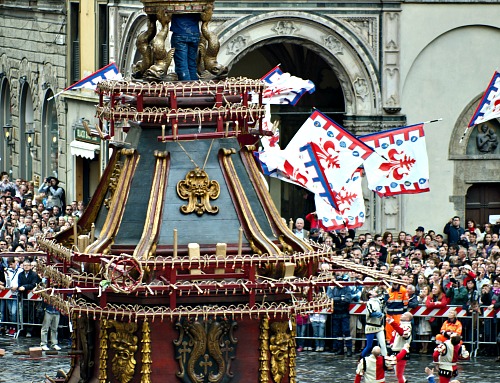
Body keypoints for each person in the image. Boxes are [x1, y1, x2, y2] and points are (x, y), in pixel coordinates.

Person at [327, 275, 353, 356]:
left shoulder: (347, 288)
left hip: (344, 313)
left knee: (346, 331)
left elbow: (347, 299)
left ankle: (349, 350)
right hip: (336, 313)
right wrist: (340, 298)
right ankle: (340, 349)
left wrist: (336, 299)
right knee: (338, 333)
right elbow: (330, 298)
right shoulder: (333, 289)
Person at [170, 13, 201, 81]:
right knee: (192, 64)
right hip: (194, 33)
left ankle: (186, 87)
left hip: (180, 31)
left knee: (182, 65)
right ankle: (195, 87)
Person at [361, 287, 388, 357]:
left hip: (379, 326)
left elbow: (386, 298)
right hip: (371, 326)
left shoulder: (378, 300)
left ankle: (385, 359)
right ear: (370, 295)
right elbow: (371, 313)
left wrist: (385, 289)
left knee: (383, 344)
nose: (374, 291)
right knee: (369, 346)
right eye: (372, 291)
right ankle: (361, 358)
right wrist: (380, 314)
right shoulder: (369, 303)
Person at [17, 259, 40, 337]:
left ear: (30, 266)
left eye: (27, 265)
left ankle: (29, 330)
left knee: (31, 314)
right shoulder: (20, 274)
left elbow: (34, 284)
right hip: (23, 296)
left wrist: (25, 287)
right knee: (23, 313)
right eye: (24, 265)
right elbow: (19, 284)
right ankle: (23, 329)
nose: (26, 267)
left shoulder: (34, 275)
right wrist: (21, 287)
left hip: (31, 297)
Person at [387, 312, 413, 383]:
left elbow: (402, 333)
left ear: (407, 318)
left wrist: (393, 323)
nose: (402, 315)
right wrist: (392, 343)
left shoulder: (407, 326)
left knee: (399, 374)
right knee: (397, 374)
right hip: (396, 350)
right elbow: (395, 335)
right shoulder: (401, 325)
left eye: (404, 315)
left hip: (401, 351)